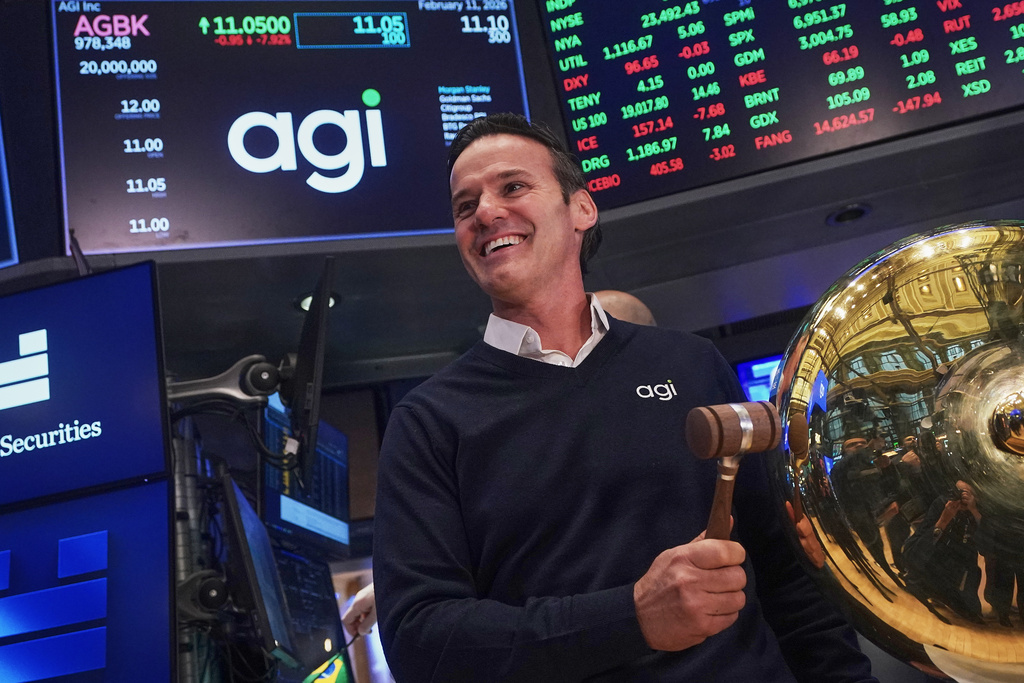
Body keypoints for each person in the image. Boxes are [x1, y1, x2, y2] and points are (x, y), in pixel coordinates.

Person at [372, 113, 876, 682]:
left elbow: (786, 574)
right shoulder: (429, 421)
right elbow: (421, 640)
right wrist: (632, 616)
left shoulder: (690, 363)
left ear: (582, 208)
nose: (486, 212)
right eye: (466, 206)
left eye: (512, 187)